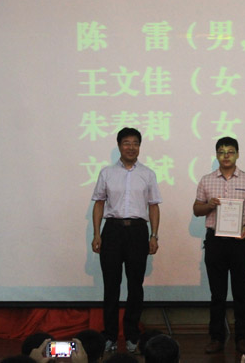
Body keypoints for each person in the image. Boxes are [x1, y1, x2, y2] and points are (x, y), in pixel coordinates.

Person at [91, 127, 162, 353]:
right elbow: (99, 203)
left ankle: (132, 335)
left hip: (138, 232)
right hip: (112, 231)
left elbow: (153, 206)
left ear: (139, 147)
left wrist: (154, 235)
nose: (131, 147)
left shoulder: (148, 174)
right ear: (119, 146)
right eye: (126, 143)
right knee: (111, 286)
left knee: (135, 286)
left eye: (135, 143)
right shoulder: (107, 173)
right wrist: (97, 234)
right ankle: (110, 335)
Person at [193, 137, 245, 355]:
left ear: (237, 154)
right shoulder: (206, 180)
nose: (226, 156)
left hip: (240, 241)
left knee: (241, 292)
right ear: (216, 155)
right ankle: (216, 338)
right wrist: (208, 205)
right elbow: (196, 209)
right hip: (215, 240)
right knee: (217, 294)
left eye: (230, 151)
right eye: (221, 152)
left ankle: (242, 338)